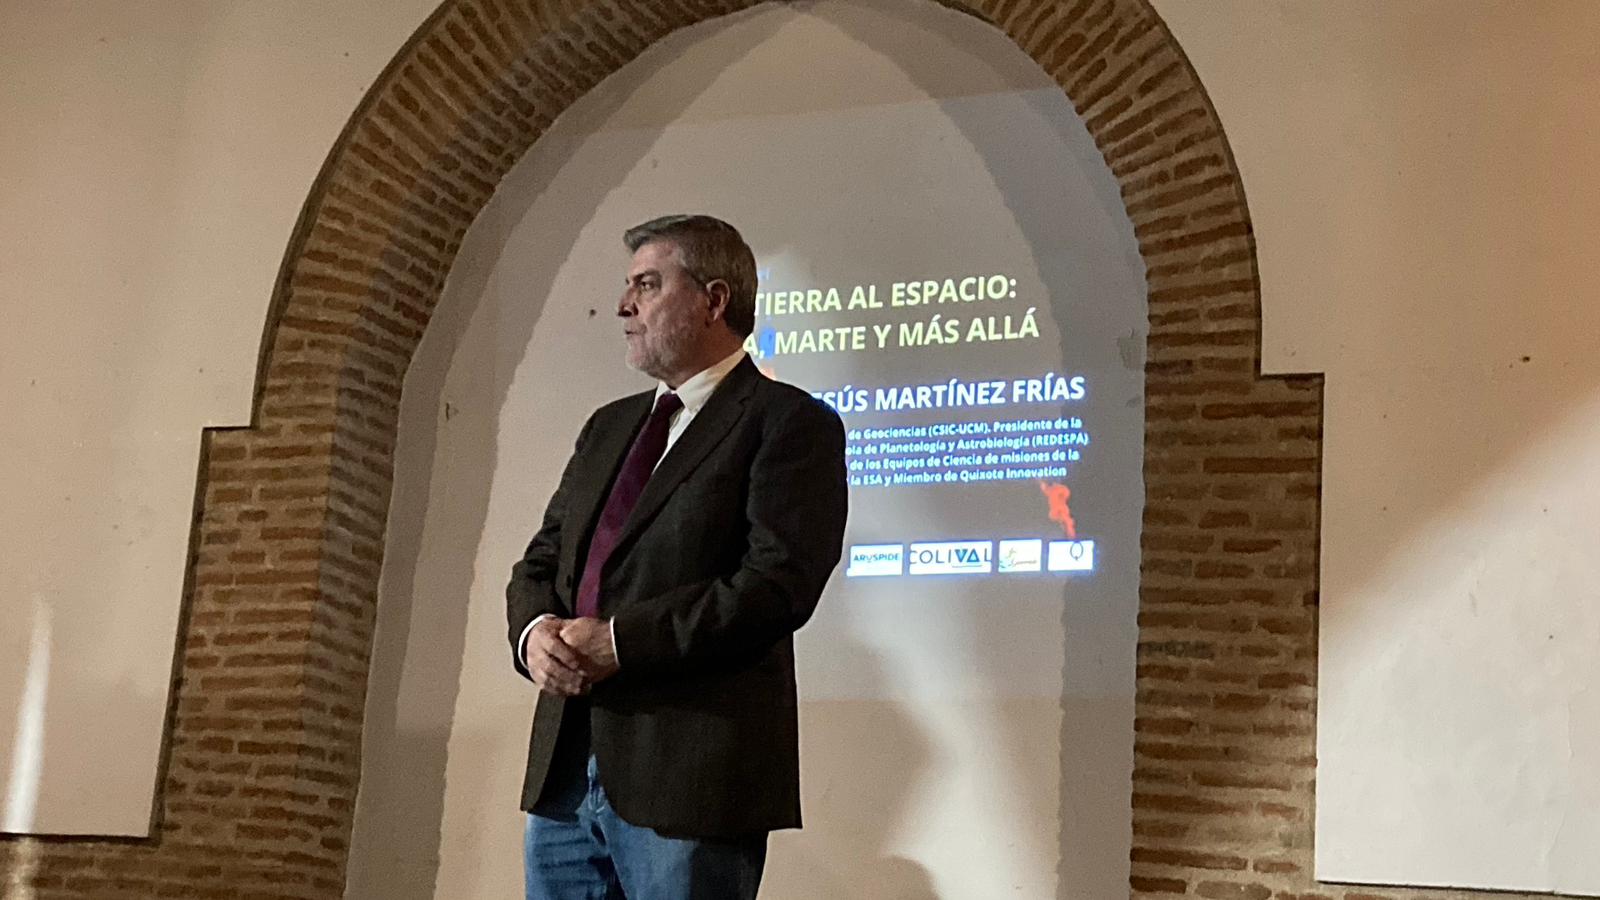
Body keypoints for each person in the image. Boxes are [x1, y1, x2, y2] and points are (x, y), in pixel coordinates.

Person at [505, 214, 848, 899]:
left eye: (648, 285)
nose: (624, 306)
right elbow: (542, 561)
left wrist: (622, 643)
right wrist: (534, 634)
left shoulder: (787, 422)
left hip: (691, 775)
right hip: (568, 773)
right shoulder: (609, 426)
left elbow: (776, 585)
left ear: (714, 301)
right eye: (627, 287)